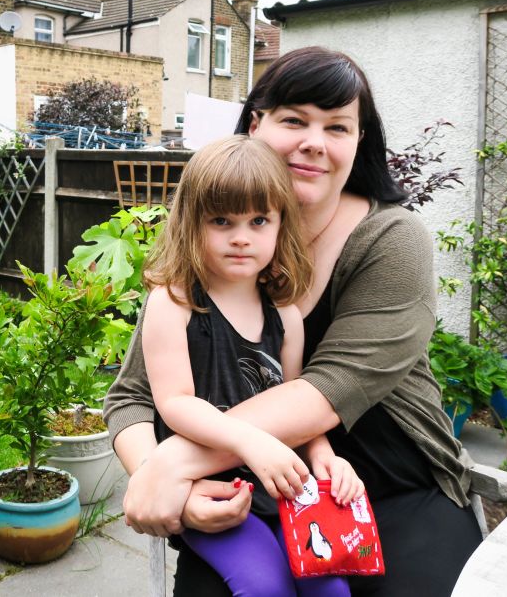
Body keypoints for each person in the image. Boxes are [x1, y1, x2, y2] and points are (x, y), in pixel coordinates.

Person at [104, 47, 482, 596]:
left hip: (392, 483)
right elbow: (133, 396)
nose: (314, 141)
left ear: (358, 143)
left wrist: (172, 464)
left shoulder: (391, 240)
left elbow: (328, 390)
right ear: (255, 124)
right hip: (247, 494)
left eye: (338, 127)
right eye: (294, 120)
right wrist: (162, 483)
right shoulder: (205, 255)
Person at [141, 135, 363, 596]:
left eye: (258, 220)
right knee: (263, 588)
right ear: (192, 224)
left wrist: (324, 457)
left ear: (280, 225)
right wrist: (252, 442)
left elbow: (296, 405)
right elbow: (174, 403)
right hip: (214, 491)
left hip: (280, 481)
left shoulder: (286, 319)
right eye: (222, 220)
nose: (241, 236)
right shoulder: (175, 303)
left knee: (332, 588)